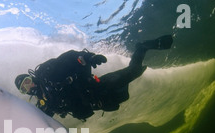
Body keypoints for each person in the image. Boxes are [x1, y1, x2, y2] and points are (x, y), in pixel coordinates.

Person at [15, 35, 173, 121]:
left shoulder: (46, 73)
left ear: (31, 77)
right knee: (120, 99)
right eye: (24, 87)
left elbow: (68, 58)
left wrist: (88, 57)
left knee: (134, 71)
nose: (29, 86)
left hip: (98, 86)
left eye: (27, 81)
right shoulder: (44, 104)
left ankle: (142, 47)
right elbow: (39, 125)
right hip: (96, 103)